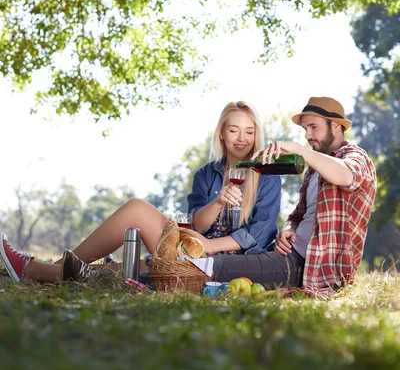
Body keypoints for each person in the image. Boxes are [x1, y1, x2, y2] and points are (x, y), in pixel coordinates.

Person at [0, 101, 281, 284]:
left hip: (224, 262)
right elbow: (197, 224)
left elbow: (258, 234)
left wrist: (208, 247)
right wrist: (219, 201)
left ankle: (39, 270)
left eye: (249, 131)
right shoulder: (206, 175)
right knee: (136, 217)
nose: (242, 139)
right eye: (234, 130)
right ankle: (46, 269)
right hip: (190, 248)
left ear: (256, 134)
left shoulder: (267, 175)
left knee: (136, 264)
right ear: (222, 133)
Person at [212, 97, 377, 292]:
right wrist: (289, 228)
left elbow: (346, 176)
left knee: (218, 266)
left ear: (336, 126)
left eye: (313, 127)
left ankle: (184, 271)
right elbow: (297, 215)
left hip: (309, 265)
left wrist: (299, 150)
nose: (307, 135)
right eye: (305, 129)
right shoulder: (314, 170)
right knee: (227, 262)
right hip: (289, 252)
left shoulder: (356, 156)